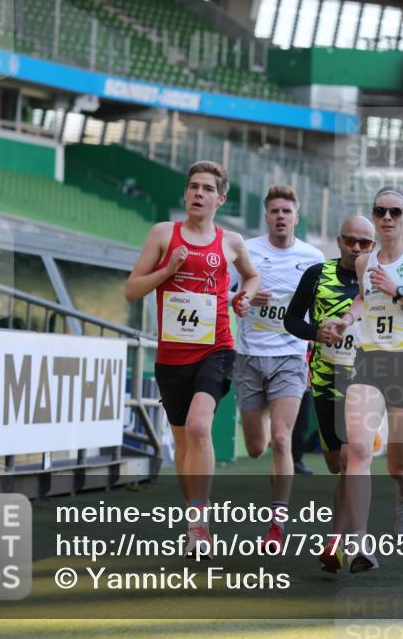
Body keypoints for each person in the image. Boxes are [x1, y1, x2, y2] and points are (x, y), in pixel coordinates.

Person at [124, 160, 259, 559]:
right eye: (193, 187)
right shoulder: (163, 234)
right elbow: (132, 289)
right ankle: (194, 522)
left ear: (221, 198)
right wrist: (169, 269)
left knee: (200, 428)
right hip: (172, 356)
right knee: (184, 446)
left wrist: (244, 297)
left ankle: (199, 526)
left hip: (216, 348)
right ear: (185, 194)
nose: (198, 194)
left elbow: (251, 277)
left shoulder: (231, 242)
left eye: (206, 188)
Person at [327, 186, 403, 573]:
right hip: (370, 362)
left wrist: (397, 290)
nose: (388, 218)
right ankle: (361, 545)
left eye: (395, 212)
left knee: (397, 465)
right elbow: (364, 298)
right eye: (381, 211)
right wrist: (347, 318)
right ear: (374, 215)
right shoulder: (364, 262)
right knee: (358, 452)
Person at [232, 185, 324, 550]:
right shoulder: (247, 250)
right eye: (275, 211)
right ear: (267, 216)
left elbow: (320, 307)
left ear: (296, 217)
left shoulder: (313, 257)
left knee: (282, 439)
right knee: (257, 447)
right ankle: (264, 420)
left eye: (287, 211)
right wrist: (244, 297)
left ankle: (277, 524)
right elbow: (225, 292)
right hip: (250, 356)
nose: (281, 216)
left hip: (290, 355)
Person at [284, 215, 376, 573]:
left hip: (366, 380)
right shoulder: (316, 274)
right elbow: (291, 320)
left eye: (364, 243)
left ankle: (347, 542)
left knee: (355, 457)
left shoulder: (378, 279)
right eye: (350, 241)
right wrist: (315, 333)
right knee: (338, 464)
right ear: (338, 241)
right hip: (325, 380)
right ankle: (339, 541)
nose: (356, 248)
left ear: (373, 246)